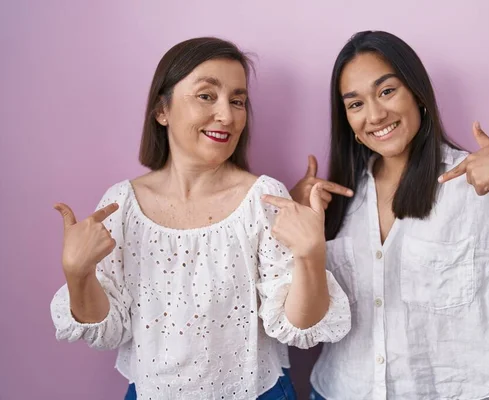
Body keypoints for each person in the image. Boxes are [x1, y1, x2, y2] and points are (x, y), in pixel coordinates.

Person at [288, 30, 489, 400]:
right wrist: (298, 223)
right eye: (355, 104)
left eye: (387, 91)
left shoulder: (475, 187)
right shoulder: (337, 198)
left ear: (418, 95)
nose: (374, 114)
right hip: (338, 390)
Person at [50, 37, 351, 400]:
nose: (227, 115)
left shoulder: (263, 198)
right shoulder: (121, 205)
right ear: (162, 110)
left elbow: (299, 326)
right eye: (207, 96)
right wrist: (77, 273)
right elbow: (109, 331)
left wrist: (310, 254)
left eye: (237, 100)